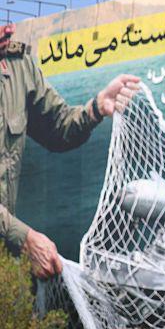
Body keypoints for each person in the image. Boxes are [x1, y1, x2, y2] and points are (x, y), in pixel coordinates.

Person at [0, 23, 139, 277]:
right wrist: (24, 238)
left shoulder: (18, 64)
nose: (9, 29)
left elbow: (58, 128)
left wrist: (96, 109)